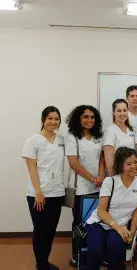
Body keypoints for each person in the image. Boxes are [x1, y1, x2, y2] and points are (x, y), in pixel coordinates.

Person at [85, 147, 137, 270]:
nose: (134, 166)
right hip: (99, 223)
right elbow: (101, 211)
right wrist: (117, 226)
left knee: (116, 249)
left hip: (121, 227)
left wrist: (132, 233)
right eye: (128, 164)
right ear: (121, 166)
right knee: (96, 251)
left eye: (136, 162)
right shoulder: (110, 181)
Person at [22, 106, 65, 270]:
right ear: (43, 120)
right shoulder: (33, 140)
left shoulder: (62, 140)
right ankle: (41, 264)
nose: (53, 122)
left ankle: (44, 261)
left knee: (51, 230)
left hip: (57, 193)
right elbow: (32, 169)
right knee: (40, 230)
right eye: (50, 119)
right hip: (38, 194)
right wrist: (38, 192)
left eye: (56, 119)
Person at [65, 105, 105, 267]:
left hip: (99, 187)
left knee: (97, 222)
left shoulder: (98, 137)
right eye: (85, 117)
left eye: (92, 117)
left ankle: (95, 254)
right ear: (78, 119)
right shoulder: (72, 137)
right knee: (80, 223)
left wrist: (101, 176)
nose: (89, 120)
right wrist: (92, 178)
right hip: (81, 189)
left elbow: (102, 158)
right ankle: (77, 256)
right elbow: (73, 162)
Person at [103, 99, 135, 176]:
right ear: (114, 112)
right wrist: (113, 179)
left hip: (131, 173)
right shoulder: (110, 131)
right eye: (119, 111)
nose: (122, 113)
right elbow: (109, 160)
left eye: (125, 110)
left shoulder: (131, 130)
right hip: (118, 175)